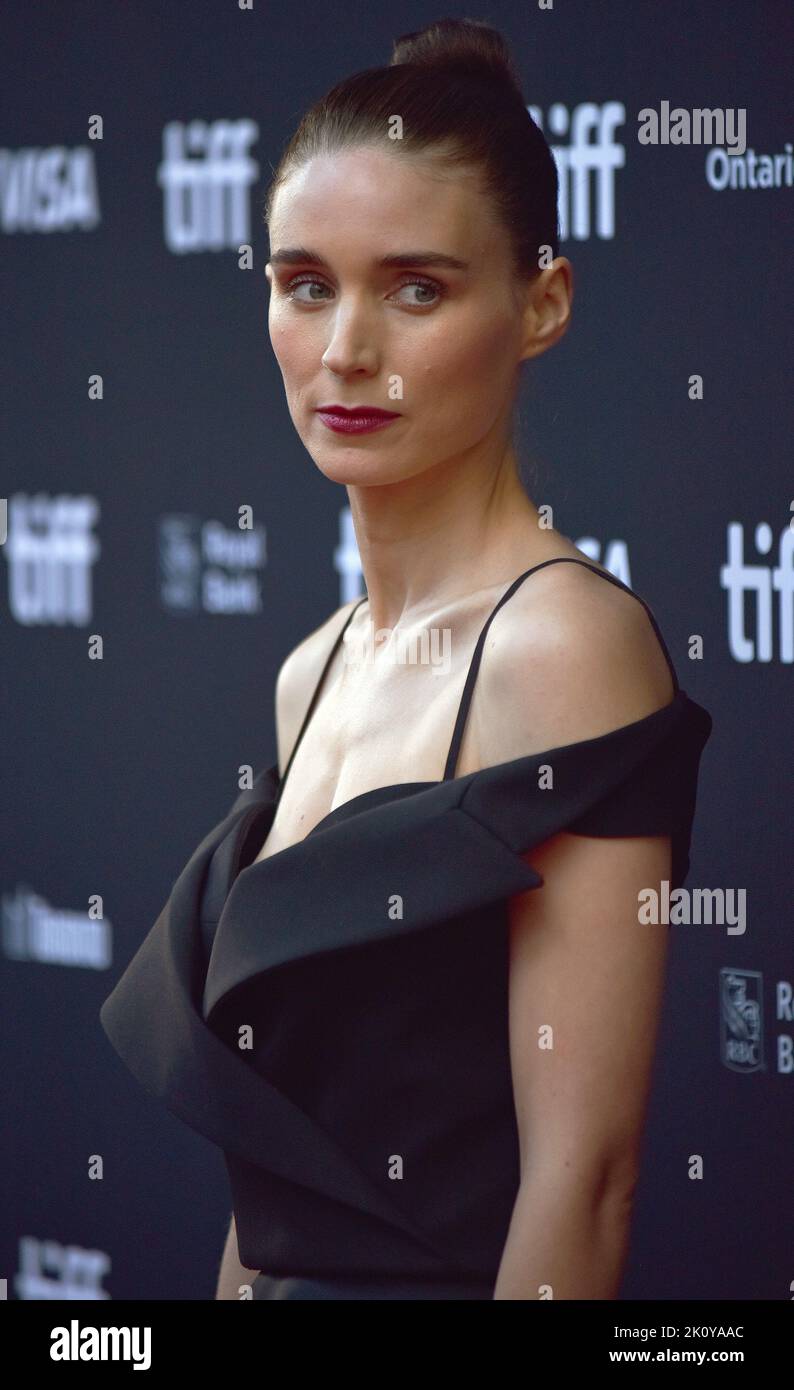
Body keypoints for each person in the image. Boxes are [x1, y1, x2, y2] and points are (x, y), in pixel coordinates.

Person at [100, 17, 712, 1300]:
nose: (345, 353)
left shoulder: (562, 648)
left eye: (416, 288)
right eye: (305, 283)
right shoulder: (307, 668)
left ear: (539, 301)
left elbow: (583, 1185)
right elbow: (274, 1191)